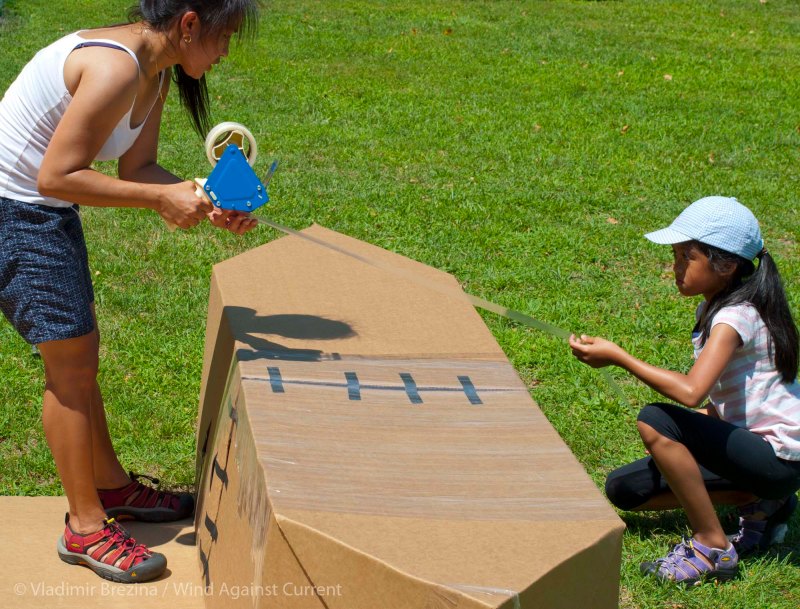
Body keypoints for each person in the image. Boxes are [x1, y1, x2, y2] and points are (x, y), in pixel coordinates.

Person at [0, 0, 260, 583]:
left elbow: (137, 169)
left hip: (40, 211)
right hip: (15, 212)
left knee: (79, 358)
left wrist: (206, 197)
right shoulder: (116, 68)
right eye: (223, 37)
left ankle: (111, 486)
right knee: (69, 369)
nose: (224, 52)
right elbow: (55, 175)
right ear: (189, 23)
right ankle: (85, 527)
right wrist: (162, 201)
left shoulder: (156, 71)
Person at [569, 196, 800, 585]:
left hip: (778, 459)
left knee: (656, 419)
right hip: (756, 454)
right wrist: (680, 440)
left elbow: (692, 393)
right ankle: (761, 502)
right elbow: (728, 403)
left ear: (725, 265)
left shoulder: (734, 317)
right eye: (675, 256)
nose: (675, 268)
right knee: (625, 489)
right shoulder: (717, 308)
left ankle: (713, 546)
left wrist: (620, 357)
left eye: (685, 257)